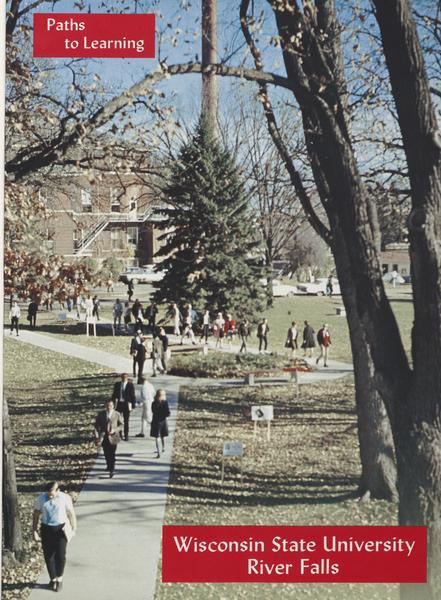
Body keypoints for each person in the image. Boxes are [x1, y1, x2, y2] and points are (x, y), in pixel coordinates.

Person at [32, 481, 77, 592]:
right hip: (46, 529)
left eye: (52, 494)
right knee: (49, 556)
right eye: (48, 494)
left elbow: (71, 513)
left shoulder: (65, 498)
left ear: (58, 490)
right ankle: (53, 579)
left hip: (61, 529)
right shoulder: (41, 499)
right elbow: (36, 514)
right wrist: (34, 531)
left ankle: (59, 579)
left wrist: (73, 528)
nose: (50, 496)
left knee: (61, 556)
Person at [94, 399, 124, 477]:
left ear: (113, 406)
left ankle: (112, 470)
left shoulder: (117, 414)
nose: (109, 407)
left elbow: (121, 425)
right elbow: (96, 426)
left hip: (114, 437)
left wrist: (115, 430)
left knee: (112, 454)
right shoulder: (101, 414)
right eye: (107, 406)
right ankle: (108, 465)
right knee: (106, 453)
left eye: (110, 405)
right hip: (104, 436)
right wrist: (97, 437)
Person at [111, 374, 135, 441]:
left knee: (126, 421)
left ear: (127, 378)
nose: (124, 378)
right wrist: (112, 403)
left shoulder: (130, 385)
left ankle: (126, 435)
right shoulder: (118, 384)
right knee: (119, 420)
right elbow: (114, 394)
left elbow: (132, 395)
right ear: (121, 378)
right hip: (119, 404)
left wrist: (133, 405)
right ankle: (120, 434)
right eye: (123, 377)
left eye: (125, 377)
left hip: (126, 404)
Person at [150, 389, 170, 458]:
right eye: (163, 395)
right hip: (161, 421)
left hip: (157, 421)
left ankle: (160, 450)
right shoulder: (164, 403)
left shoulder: (154, 403)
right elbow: (167, 413)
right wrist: (165, 413)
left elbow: (153, 411)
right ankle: (161, 450)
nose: (164, 396)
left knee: (158, 437)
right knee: (161, 436)